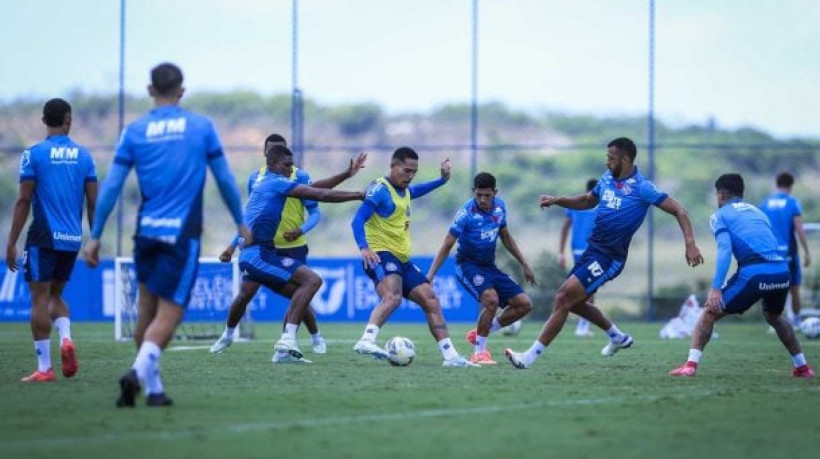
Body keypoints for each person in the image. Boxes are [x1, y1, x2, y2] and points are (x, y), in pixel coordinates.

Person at [84, 63, 249, 407]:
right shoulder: (201, 127)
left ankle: (154, 388)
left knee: (146, 307)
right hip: (181, 235)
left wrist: (95, 234)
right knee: (169, 315)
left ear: (149, 90)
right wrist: (239, 222)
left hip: (145, 233)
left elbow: (111, 185)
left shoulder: (134, 131)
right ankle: (137, 374)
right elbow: (224, 180)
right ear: (182, 90)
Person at [505, 137, 704, 369]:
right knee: (575, 303)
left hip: (610, 257)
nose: (607, 161)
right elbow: (588, 200)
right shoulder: (607, 179)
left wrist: (690, 243)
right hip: (592, 251)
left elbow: (680, 210)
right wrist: (558, 200)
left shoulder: (642, 187)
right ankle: (617, 337)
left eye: (611, 158)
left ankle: (528, 357)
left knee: (562, 298)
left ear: (625, 159)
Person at [209, 134, 363, 355]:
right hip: (258, 254)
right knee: (311, 281)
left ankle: (288, 349)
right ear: (271, 161)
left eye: (292, 165)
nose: (291, 169)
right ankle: (285, 339)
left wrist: (346, 176)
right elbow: (320, 194)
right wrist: (359, 194)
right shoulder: (268, 181)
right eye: (287, 165)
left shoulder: (276, 181)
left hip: (266, 252)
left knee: (301, 289)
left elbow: (315, 189)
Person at [669, 173, 814, 378]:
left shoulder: (720, 216)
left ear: (720, 194)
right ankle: (803, 367)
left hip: (755, 273)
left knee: (709, 312)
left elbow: (725, 251)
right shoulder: (759, 212)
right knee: (775, 316)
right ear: (741, 193)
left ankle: (690, 366)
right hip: (782, 272)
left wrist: (716, 289)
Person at [351, 147, 477, 367]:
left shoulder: (405, 191)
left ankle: (451, 357)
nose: (410, 176)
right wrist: (364, 248)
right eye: (406, 170)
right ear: (393, 166)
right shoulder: (380, 189)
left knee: (430, 299)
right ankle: (367, 340)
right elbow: (357, 220)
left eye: (413, 172)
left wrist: (442, 180)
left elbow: (418, 189)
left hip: (403, 260)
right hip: (380, 255)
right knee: (393, 297)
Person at [5, 98, 97, 382]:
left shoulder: (33, 154)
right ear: (68, 120)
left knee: (39, 300)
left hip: (43, 237)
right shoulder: (85, 156)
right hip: (72, 239)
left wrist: (11, 242)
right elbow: (94, 203)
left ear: (44, 121)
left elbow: (23, 200)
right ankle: (66, 338)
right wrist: (94, 239)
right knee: (56, 297)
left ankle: (45, 368)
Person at [427, 172, 535, 365]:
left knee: (524, 304)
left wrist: (524, 263)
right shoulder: (465, 213)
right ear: (473, 192)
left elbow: (506, 237)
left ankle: (481, 332)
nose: (483, 200)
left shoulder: (500, 207)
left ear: (495, 192)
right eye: (479, 195)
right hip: (467, 265)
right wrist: (431, 274)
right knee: (491, 300)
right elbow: (447, 245)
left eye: (487, 195)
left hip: (489, 266)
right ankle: (479, 353)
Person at [759, 172, 812, 327]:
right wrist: (807, 252)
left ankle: (772, 322)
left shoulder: (765, 203)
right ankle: (795, 322)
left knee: (770, 287)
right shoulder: (792, 202)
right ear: (791, 185)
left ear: (777, 183)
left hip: (769, 253)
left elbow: (761, 228)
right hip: (788, 252)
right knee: (794, 288)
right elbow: (799, 229)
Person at [559, 178, 598, 338]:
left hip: (577, 250)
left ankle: (582, 324)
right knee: (590, 288)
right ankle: (582, 326)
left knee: (584, 286)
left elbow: (565, 227)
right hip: (592, 250)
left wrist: (561, 252)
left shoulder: (576, 205)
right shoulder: (600, 206)